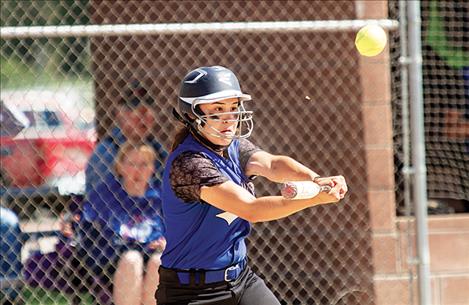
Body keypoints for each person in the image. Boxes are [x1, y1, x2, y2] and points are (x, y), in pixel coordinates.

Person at [156, 66, 348, 305]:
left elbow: (273, 165)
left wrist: (315, 180)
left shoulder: (235, 147)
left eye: (234, 108)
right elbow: (251, 209)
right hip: (193, 293)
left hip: (241, 280)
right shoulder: (189, 164)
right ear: (192, 114)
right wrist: (314, 199)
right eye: (218, 110)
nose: (229, 118)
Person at [81, 142, 166, 305]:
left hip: (151, 254)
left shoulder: (160, 197)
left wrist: (165, 242)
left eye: (144, 164)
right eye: (132, 164)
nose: (138, 170)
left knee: (159, 262)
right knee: (132, 259)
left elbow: (175, 232)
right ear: (119, 167)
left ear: (152, 168)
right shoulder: (106, 194)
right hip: (115, 258)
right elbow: (93, 230)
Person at [85, 81, 167, 193]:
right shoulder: (107, 152)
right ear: (119, 115)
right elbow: (101, 199)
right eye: (135, 113)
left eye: (147, 113)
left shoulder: (157, 149)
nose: (143, 119)